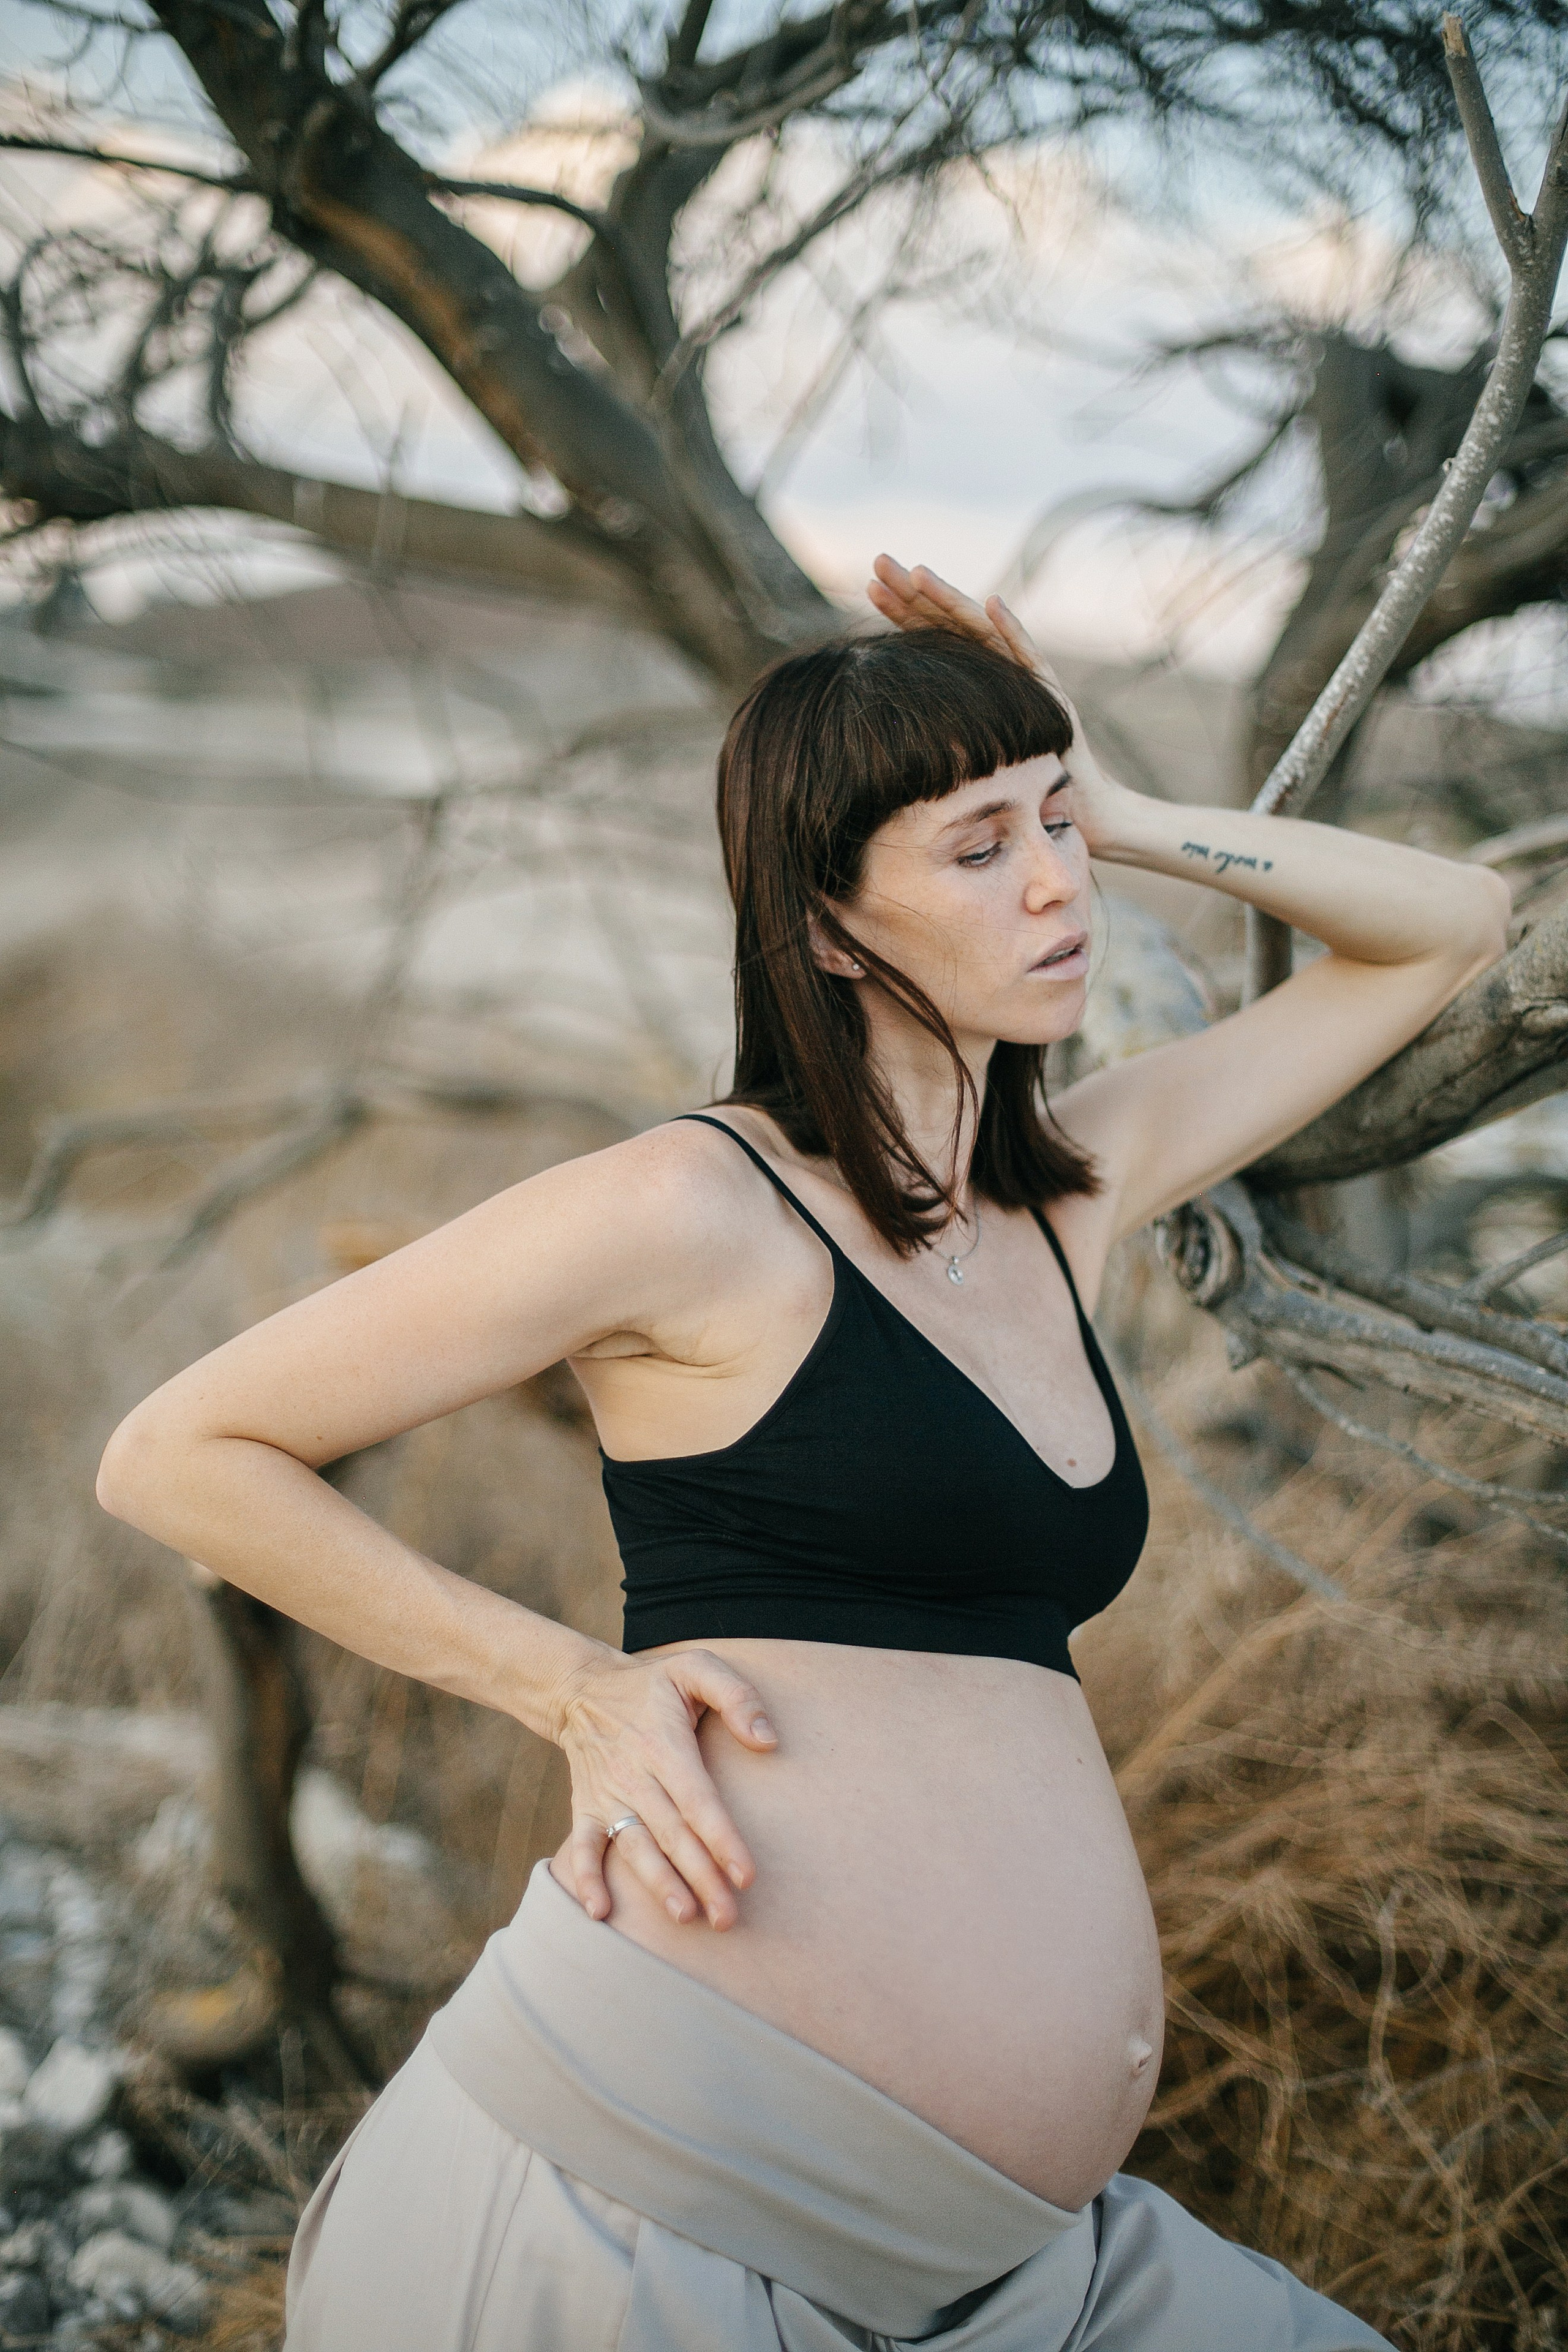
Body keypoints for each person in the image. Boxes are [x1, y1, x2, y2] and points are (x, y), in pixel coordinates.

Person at [96, 559, 1509, 2351]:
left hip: (1014, 2266)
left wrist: (1124, 805)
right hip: (650, 2210)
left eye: (1052, 824)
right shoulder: (695, 1204)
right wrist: (571, 1690)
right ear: (831, 927)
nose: (1055, 881)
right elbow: (179, 1451)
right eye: (979, 848)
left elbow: (1453, 924)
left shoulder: (1075, 1192)